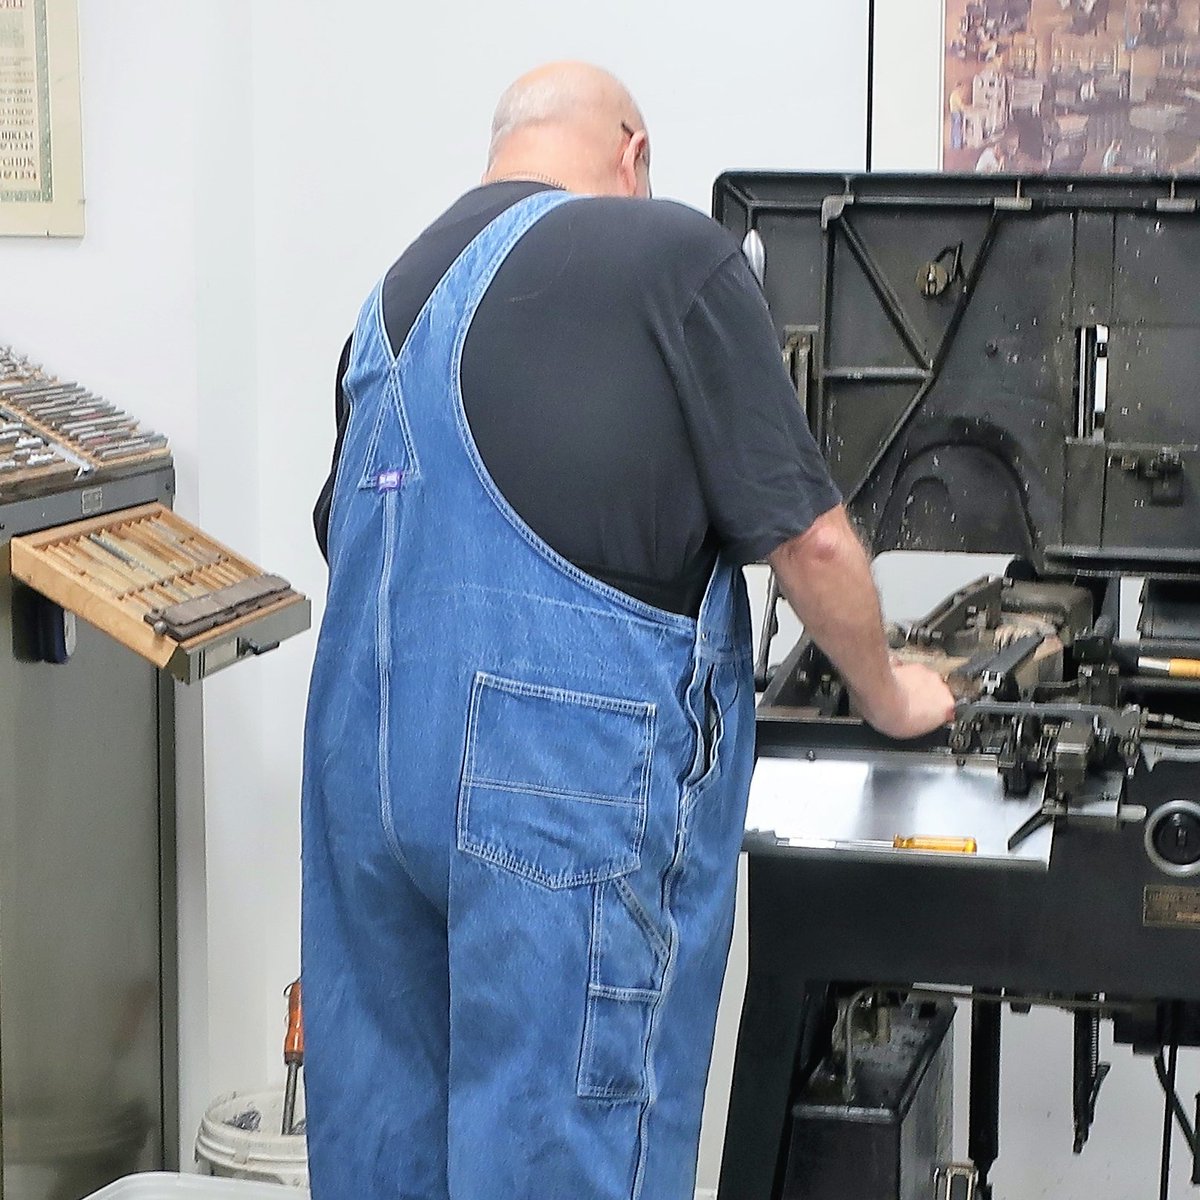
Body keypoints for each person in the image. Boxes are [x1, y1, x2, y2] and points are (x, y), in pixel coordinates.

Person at [302, 61, 955, 1200]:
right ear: (633, 151)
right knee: (560, 1160)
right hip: (548, 793)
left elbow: (365, 550)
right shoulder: (668, 249)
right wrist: (892, 691)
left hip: (364, 780)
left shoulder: (386, 305)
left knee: (387, 1154)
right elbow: (810, 545)